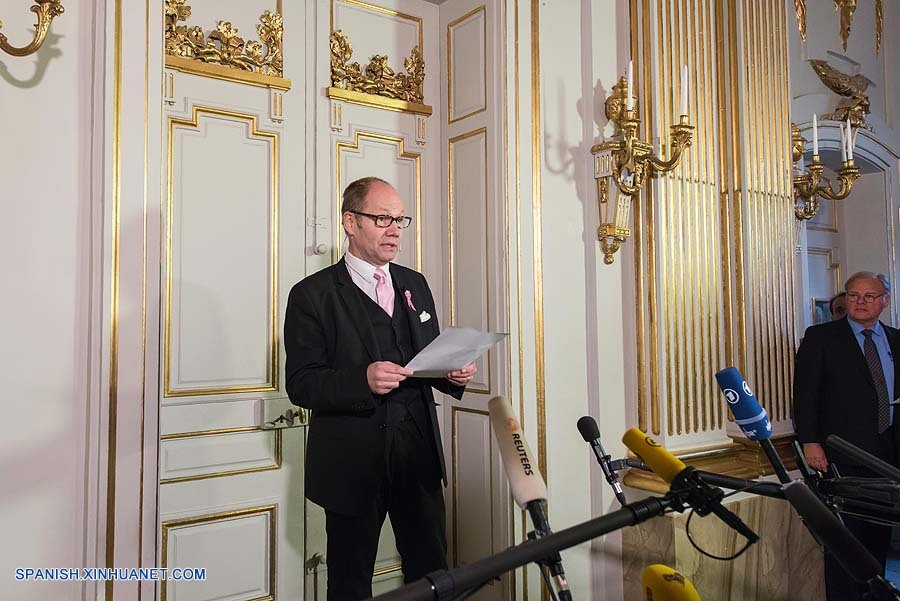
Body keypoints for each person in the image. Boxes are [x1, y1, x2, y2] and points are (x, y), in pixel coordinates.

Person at [284, 176, 477, 601]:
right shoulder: (311, 296)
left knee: (431, 574)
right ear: (350, 222)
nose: (395, 230)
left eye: (400, 220)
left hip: (418, 459)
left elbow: (425, 357)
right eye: (383, 218)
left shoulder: (415, 283)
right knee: (350, 584)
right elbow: (300, 384)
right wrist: (362, 380)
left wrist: (451, 372)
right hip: (352, 467)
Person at [794, 271, 900, 601]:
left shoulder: (896, 339)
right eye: (854, 295)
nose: (860, 302)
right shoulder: (821, 337)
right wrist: (810, 441)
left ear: (885, 301)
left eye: (869, 296)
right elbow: (805, 394)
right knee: (844, 537)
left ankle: (875, 594)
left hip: (888, 453)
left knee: (878, 534)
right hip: (842, 454)